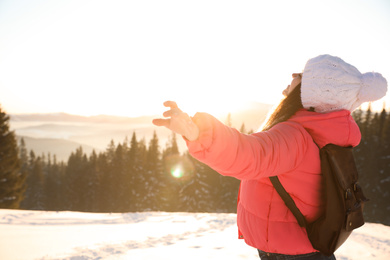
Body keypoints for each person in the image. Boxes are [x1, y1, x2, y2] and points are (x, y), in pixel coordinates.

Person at [152, 54, 387, 260]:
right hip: (306, 248)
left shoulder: (295, 136)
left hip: (290, 254)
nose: (292, 78)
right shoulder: (326, 133)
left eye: (299, 75)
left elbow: (250, 155)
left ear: (313, 89)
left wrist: (197, 133)